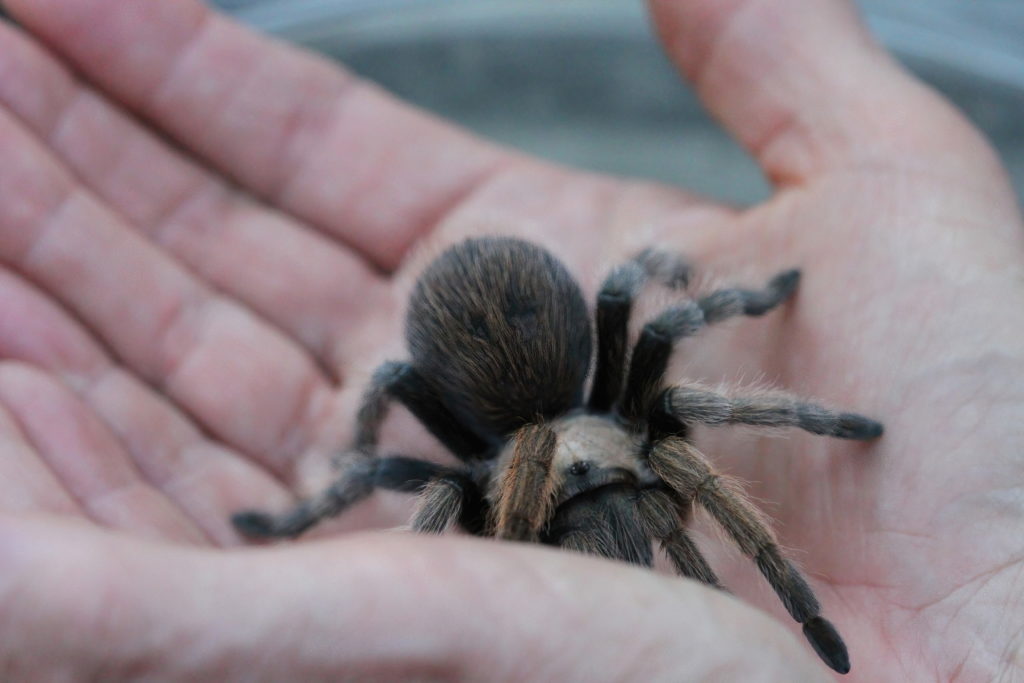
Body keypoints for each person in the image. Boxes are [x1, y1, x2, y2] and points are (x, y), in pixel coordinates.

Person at [0, 0, 1020, 679]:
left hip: (567, 388)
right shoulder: (464, 487)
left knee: (649, 315)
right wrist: (343, 473)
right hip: (497, 382)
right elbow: (403, 397)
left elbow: (653, 297)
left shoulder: (647, 432)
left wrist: (776, 344)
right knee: (438, 446)